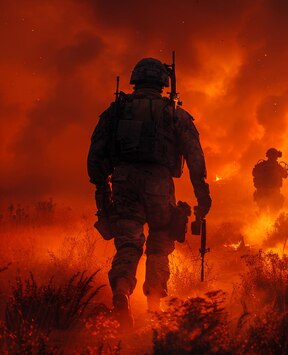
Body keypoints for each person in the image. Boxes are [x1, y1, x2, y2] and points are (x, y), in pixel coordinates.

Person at [87, 57, 211, 328]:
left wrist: (101, 187)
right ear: (162, 83)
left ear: (135, 80)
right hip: (158, 183)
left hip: (123, 181)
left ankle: (121, 290)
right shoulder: (173, 112)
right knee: (159, 243)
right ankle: (154, 308)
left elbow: (96, 153)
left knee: (128, 243)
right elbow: (195, 156)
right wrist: (203, 196)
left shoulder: (117, 110)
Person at [252, 148, 288, 213]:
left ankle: (263, 222)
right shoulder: (278, 167)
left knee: (264, 211)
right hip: (270, 191)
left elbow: (254, 173)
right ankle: (269, 222)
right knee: (272, 212)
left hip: (264, 191)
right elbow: (285, 175)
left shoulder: (262, 165)